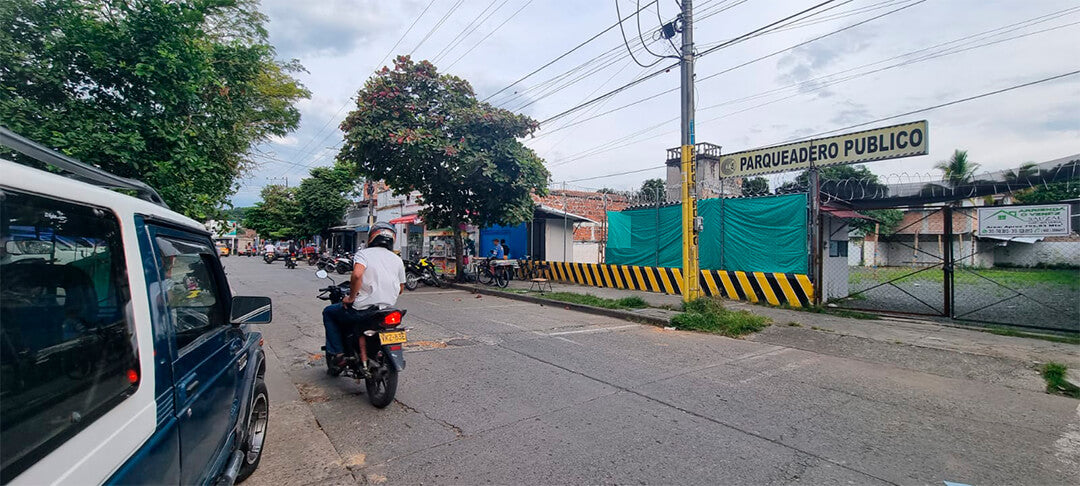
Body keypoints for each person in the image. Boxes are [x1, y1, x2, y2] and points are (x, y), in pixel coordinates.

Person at [322, 222, 406, 373]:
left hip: (363, 310)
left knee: (329, 312)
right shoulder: (397, 259)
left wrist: (351, 297)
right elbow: (401, 288)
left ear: (372, 237)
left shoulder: (364, 254)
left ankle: (339, 354)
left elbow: (357, 275)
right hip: (387, 310)